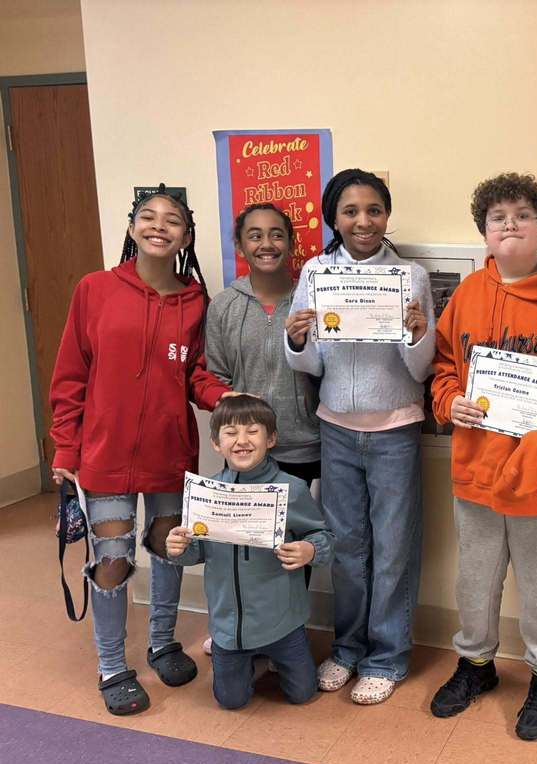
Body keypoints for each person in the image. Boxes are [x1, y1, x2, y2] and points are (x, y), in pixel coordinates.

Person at [428, 172, 537, 741]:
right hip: (476, 473)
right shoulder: (469, 296)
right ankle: (476, 664)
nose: (509, 224)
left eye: (522, 215)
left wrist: (527, 462)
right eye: (498, 217)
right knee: (473, 582)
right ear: (483, 232)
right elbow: (443, 366)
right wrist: (449, 401)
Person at [49, 185, 232, 715]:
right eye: (147, 217)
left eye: (172, 220)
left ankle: (162, 642)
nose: (159, 226)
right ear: (132, 228)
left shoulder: (196, 301)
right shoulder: (95, 289)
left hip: (169, 453)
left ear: (186, 235)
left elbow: (197, 376)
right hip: (102, 455)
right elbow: (70, 374)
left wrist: (225, 397)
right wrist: (66, 446)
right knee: (111, 559)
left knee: (167, 548)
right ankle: (112, 665)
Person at [285, 169, 435, 705]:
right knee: (348, 548)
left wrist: (416, 334)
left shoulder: (409, 276)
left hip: (395, 429)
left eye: (373, 210)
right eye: (350, 211)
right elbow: (303, 357)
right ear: (334, 219)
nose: (363, 221)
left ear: (387, 215)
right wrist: (295, 337)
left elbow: (420, 369)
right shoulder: (316, 271)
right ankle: (347, 650)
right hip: (336, 429)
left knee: (393, 548)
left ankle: (387, 657)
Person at [165, 395, 333, 710]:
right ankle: (245, 656)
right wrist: (178, 549)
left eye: (252, 431)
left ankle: (275, 652)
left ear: (271, 439)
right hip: (230, 628)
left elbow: (323, 536)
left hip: (283, 622)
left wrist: (310, 550)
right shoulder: (207, 493)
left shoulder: (291, 489)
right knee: (230, 701)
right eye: (230, 432)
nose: (241, 441)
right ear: (216, 443)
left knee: (302, 694)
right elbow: (196, 551)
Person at [206, 203, 320, 485]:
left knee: (307, 529)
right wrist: (238, 429)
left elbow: (329, 370)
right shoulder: (223, 305)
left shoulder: (312, 302)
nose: (267, 244)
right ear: (240, 246)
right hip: (246, 451)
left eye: (277, 235)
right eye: (255, 236)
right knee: (251, 530)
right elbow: (216, 377)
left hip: (308, 448)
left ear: (291, 244)